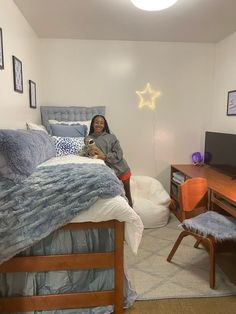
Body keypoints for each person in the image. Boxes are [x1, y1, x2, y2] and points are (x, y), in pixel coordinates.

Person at [87, 115, 133, 208]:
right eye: (96, 122)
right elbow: (92, 152)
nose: (99, 124)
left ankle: (131, 215)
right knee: (117, 198)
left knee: (127, 196)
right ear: (92, 124)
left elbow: (119, 154)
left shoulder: (111, 137)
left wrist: (104, 157)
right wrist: (89, 153)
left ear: (104, 125)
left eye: (101, 123)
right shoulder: (88, 138)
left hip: (121, 169)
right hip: (108, 172)